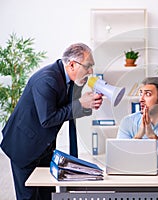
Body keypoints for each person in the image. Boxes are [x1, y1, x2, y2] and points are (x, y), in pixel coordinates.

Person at [0, 43, 103, 200]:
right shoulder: (47, 80)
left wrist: (88, 105)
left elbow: (68, 109)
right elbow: (48, 119)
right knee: (28, 197)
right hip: (24, 147)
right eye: (88, 66)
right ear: (72, 65)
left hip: (44, 147)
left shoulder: (69, 79)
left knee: (47, 195)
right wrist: (80, 104)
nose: (91, 72)